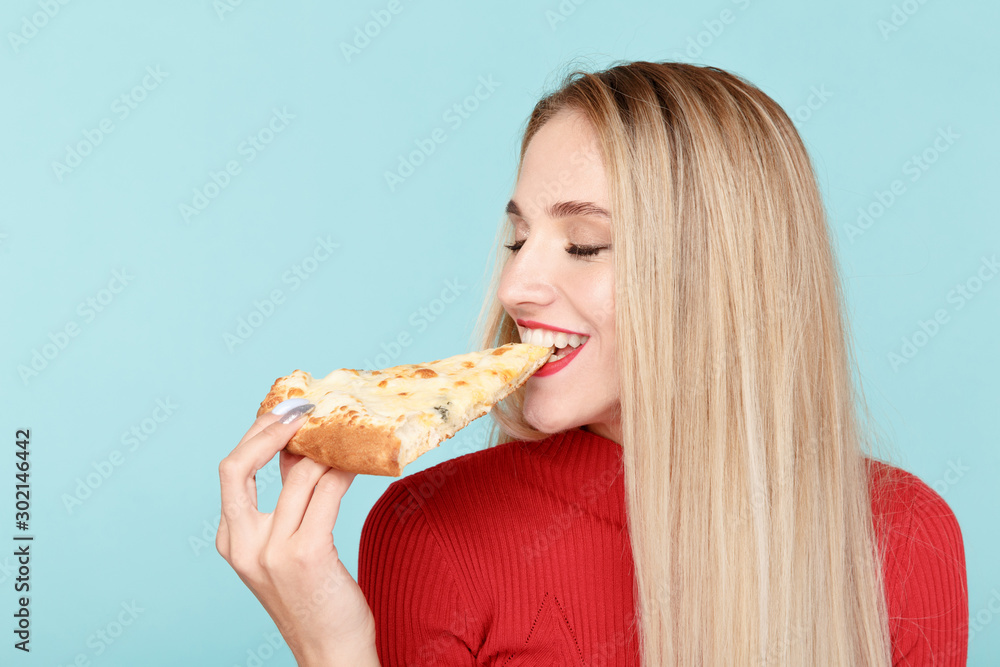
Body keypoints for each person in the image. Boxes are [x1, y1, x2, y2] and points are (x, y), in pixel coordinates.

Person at [216, 61, 968, 666]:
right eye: (518, 238)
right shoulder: (433, 533)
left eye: (584, 244)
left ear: (723, 279)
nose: (513, 285)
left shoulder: (903, 537)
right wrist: (334, 651)